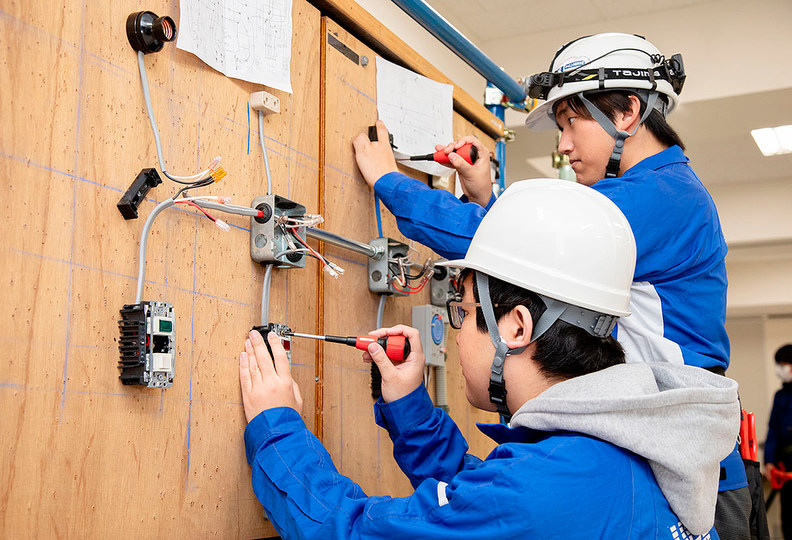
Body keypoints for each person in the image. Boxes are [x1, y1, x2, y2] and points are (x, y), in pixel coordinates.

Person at [353, 32, 753, 537]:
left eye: (571, 122)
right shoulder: (657, 194)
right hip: (669, 452)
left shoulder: (662, 196)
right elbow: (550, 254)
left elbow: (520, 245)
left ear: (628, 111)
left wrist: (391, 183)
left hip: (691, 473)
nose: (563, 145)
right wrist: (485, 194)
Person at [238, 179, 738, 539]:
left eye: (465, 313)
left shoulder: (540, 491)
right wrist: (410, 406)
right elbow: (478, 505)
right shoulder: (624, 451)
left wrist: (276, 425)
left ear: (516, 327)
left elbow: (349, 533)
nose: (456, 337)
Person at [765, 344, 792, 538]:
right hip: (783, 470)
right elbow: (773, 430)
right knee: (788, 519)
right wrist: (768, 461)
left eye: (783, 364)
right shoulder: (780, 396)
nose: (779, 369)